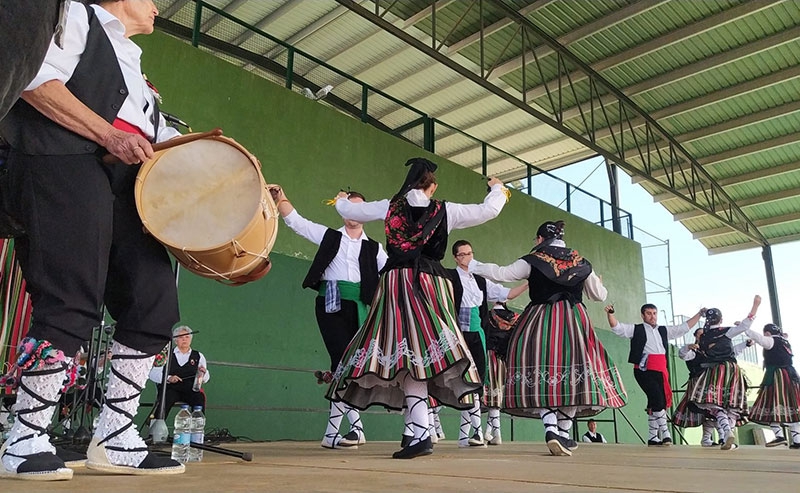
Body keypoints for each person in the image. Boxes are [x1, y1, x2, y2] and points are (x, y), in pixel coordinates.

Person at [0, 0, 185, 480]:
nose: (158, 7)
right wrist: (110, 135)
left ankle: (115, 435)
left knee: (154, 299)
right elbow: (34, 80)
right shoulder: (74, 16)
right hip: (63, 157)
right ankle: (23, 435)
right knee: (71, 296)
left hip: (127, 180)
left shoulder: (135, 66)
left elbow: (153, 136)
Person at [326, 157, 508, 459]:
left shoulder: (389, 206)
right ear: (432, 185)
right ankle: (418, 432)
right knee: (422, 356)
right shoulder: (446, 210)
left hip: (396, 284)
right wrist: (498, 187)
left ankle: (417, 431)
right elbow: (489, 209)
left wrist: (342, 200)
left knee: (405, 355)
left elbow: (348, 210)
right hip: (430, 284)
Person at [471, 220, 627, 457]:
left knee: (535, 370)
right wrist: (599, 283)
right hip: (575, 321)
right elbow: (599, 295)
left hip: (541, 319)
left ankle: (552, 429)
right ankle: (563, 432)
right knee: (577, 375)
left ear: (541, 239)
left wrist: (473, 264)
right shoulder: (581, 262)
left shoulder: (533, 260)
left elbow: (503, 273)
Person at [271, 186, 387, 450]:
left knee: (344, 366)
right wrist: (282, 199)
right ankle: (356, 428)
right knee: (341, 360)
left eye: (360, 208)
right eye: (349, 206)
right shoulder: (330, 237)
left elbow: (392, 272)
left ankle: (331, 433)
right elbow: (298, 223)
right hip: (330, 303)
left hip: (359, 306)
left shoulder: (374, 249)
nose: (354, 214)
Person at [448, 239, 527, 448]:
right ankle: (468, 433)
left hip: (477, 334)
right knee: (461, 381)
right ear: (455, 257)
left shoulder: (481, 280)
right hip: (457, 334)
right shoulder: (449, 277)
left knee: (476, 381)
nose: (468, 257)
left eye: (470, 253)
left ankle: (474, 432)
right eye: (463, 254)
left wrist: (529, 282)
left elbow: (507, 294)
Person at [606, 303, 704, 446]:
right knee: (658, 399)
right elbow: (617, 327)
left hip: (660, 370)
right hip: (643, 370)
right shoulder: (637, 329)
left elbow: (683, 328)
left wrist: (699, 314)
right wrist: (610, 313)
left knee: (657, 402)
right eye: (649, 313)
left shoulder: (663, 330)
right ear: (643, 315)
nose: (652, 316)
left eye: (654, 313)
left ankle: (652, 437)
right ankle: (666, 433)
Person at [685, 296, 761, 451]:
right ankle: (728, 433)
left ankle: (726, 432)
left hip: (712, 372)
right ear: (721, 319)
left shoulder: (703, 336)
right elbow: (746, 324)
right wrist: (755, 306)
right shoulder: (726, 332)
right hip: (731, 370)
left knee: (715, 405)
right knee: (732, 405)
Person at [673, 330, 752, 447]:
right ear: (695, 336)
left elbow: (732, 352)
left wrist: (745, 344)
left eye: (704, 334)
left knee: (712, 411)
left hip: (714, 382)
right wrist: (688, 347)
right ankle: (718, 437)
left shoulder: (711, 349)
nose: (703, 336)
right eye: (700, 334)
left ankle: (718, 438)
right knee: (709, 410)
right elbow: (682, 355)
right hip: (698, 383)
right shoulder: (695, 350)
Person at [743, 322, 800, 449]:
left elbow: (759, 338)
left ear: (767, 333)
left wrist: (744, 327)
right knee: (791, 406)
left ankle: (779, 436)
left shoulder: (771, 341)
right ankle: (796, 440)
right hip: (791, 376)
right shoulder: (784, 342)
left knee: (771, 403)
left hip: (777, 376)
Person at [149, 326, 210, 419]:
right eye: (181, 337)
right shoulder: (165, 354)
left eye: (187, 337)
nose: (184, 339)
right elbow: (153, 374)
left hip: (189, 389)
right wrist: (169, 378)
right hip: (170, 388)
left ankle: (197, 429)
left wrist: (203, 374)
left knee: (199, 399)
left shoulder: (199, 356)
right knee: (166, 399)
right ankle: (156, 427)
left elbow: (205, 379)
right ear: (175, 340)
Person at [482, 302, 520, 446]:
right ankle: (491, 432)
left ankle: (493, 433)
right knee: (497, 396)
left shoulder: (487, 316)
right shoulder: (515, 318)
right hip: (504, 359)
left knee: (491, 396)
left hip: (489, 357)